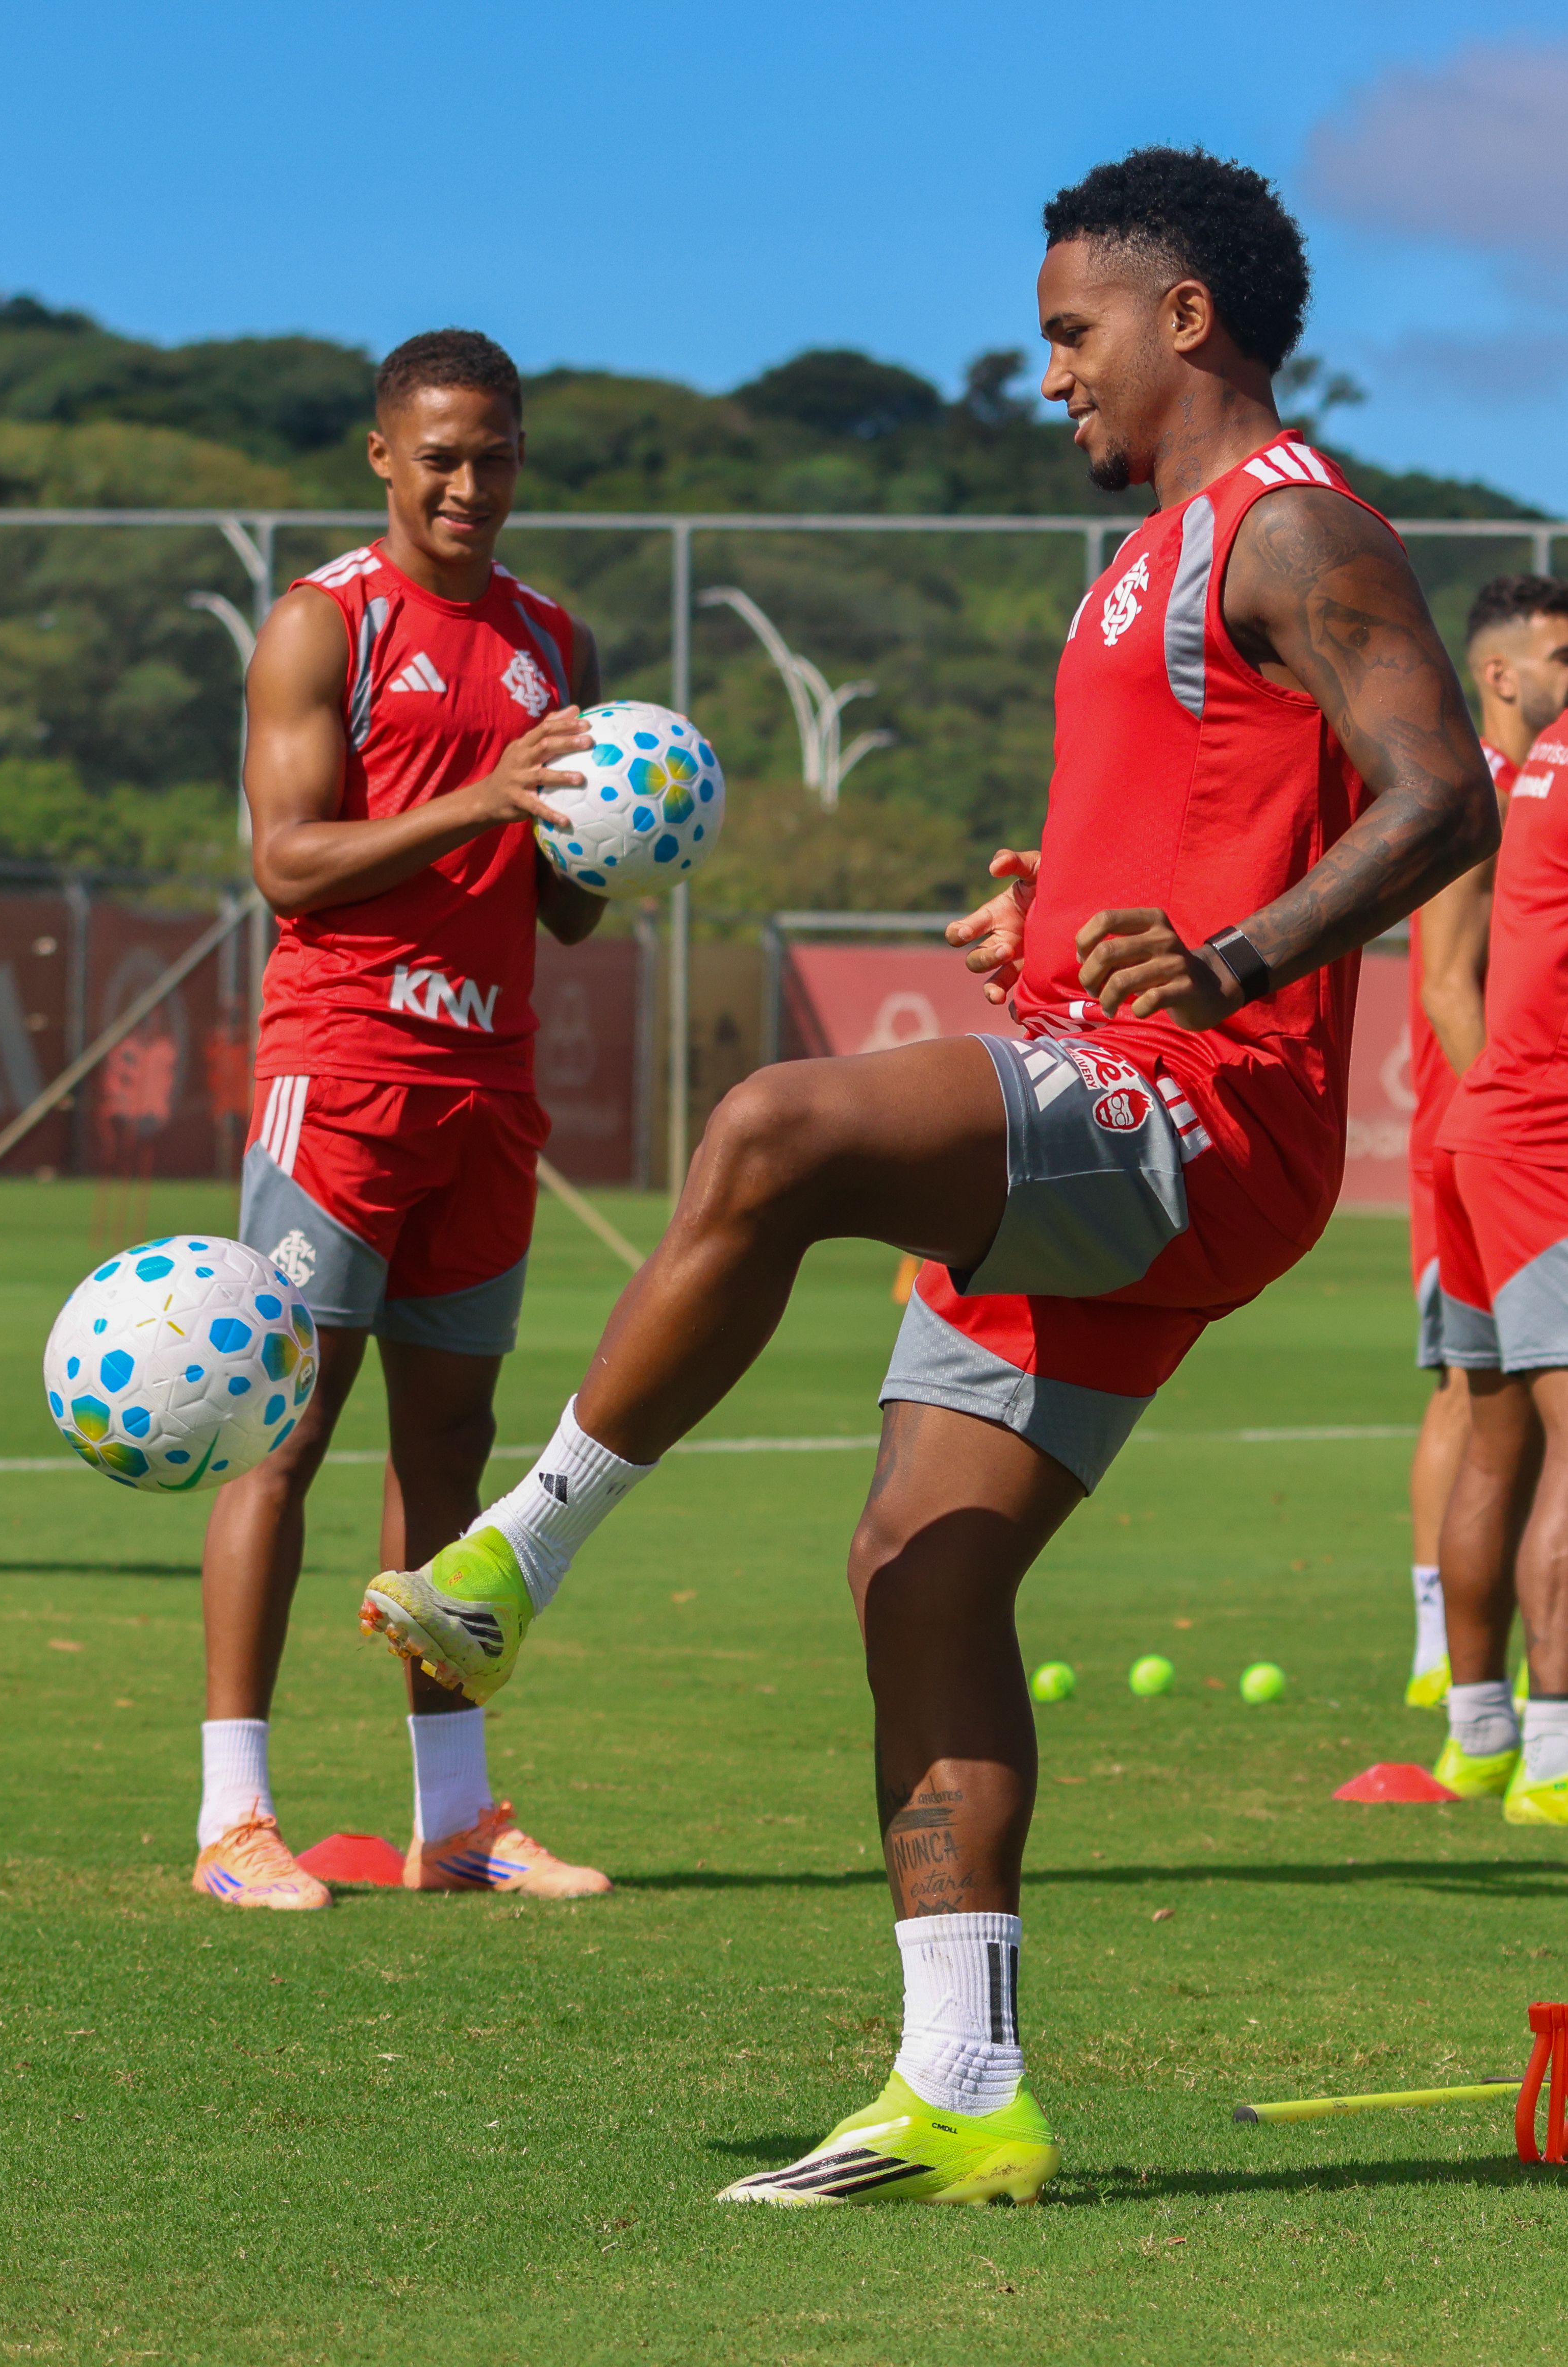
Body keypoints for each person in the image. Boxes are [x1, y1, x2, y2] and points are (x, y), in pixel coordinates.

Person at [360, 149, 1496, 2198]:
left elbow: (1442, 796)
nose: (1047, 373)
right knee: (916, 1570)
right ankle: (961, 2089)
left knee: (772, 1128)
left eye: (1070, 332)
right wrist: (1043, 918)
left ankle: (515, 1556)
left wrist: (1228, 960)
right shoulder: (1145, 561)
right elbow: (1197, 826)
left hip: (1191, 1108)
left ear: (1182, 319)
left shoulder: (1289, 522)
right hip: (1110, 1084)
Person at [193, 329, 615, 1911]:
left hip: (487, 1089)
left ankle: (453, 1821)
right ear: (383, 455)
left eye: (493, 456)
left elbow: (564, 907)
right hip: (343, 1073)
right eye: (440, 456)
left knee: (449, 1453)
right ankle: (235, 1821)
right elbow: (287, 864)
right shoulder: (327, 623)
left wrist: (624, 831)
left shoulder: (553, 640)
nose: (467, 484)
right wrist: (482, 798)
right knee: (283, 1436)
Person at [1402, 578, 1568, 1708]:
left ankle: (1478, 1709)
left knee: (1503, 1430)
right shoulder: (1473, 793)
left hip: (1493, 1137)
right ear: (1500, 673)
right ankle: (1447, 1663)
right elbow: (1442, 984)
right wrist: (1506, 1130)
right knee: (1473, 1410)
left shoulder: (1533, 780)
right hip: (1494, 1144)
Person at [1431, 677, 1568, 1821]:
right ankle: (1556, 1759)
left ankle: (1479, 1733)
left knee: (1496, 1449)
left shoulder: (1543, 755)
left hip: (1485, 1133)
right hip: (1545, 1144)